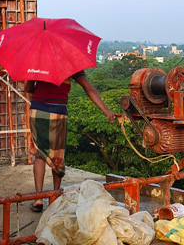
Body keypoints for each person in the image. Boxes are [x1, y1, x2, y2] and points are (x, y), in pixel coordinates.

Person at [24, 71, 119, 212]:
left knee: (39, 154)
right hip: (58, 111)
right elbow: (89, 88)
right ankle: (55, 197)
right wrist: (106, 110)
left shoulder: (39, 62)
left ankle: (38, 198)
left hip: (38, 111)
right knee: (58, 154)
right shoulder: (71, 64)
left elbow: (28, 89)